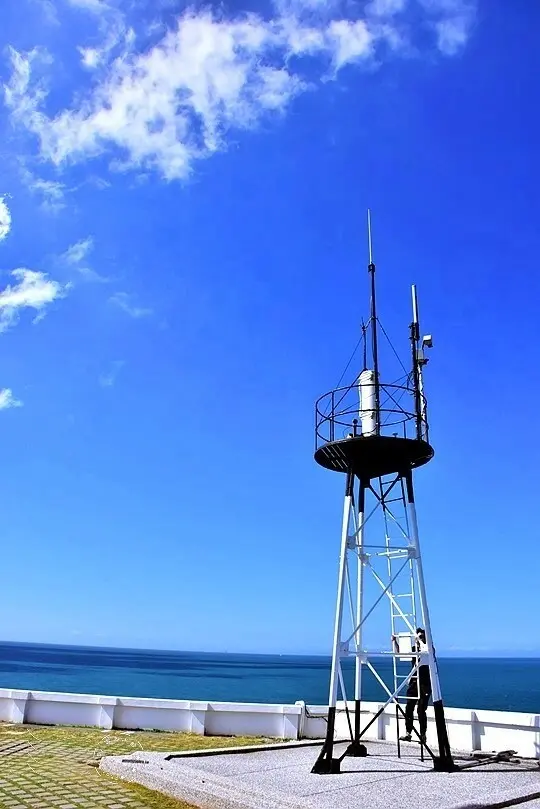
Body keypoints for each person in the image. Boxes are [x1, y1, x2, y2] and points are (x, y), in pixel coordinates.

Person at [392, 628, 432, 744]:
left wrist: (421, 641)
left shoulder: (428, 649)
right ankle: (408, 733)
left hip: (425, 683)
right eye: (418, 636)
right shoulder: (414, 650)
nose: (420, 638)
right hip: (414, 682)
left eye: (422, 637)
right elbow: (401, 654)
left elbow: (429, 654)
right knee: (409, 708)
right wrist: (395, 642)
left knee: (421, 710)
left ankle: (423, 735)